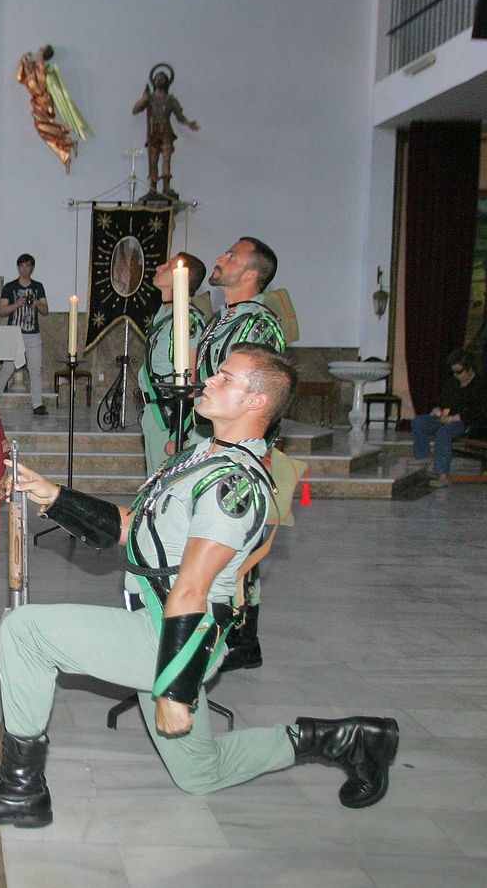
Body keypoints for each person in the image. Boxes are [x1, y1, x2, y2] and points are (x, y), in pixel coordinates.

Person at [0, 345, 397, 828]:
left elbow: (193, 588)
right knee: (202, 773)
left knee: (27, 631)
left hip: (176, 636)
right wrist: (56, 497)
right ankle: (347, 740)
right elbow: (134, 528)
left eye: (226, 378)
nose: (209, 381)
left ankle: (20, 789)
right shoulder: (204, 455)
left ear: (256, 402)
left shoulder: (232, 487)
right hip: (158, 622)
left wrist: (175, 689)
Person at [193, 237, 288, 670]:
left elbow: (261, 395)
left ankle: (240, 637)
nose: (219, 257)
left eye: (230, 255)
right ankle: (204, 621)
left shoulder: (259, 325)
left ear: (251, 273)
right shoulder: (223, 319)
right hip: (209, 440)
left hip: (240, 446)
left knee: (236, 539)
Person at [139, 253, 208, 472]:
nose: (159, 267)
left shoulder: (187, 319)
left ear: (183, 278)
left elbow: (190, 384)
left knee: (165, 489)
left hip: (171, 418)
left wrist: (178, 433)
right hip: (156, 413)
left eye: (168, 266)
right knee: (153, 488)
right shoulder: (165, 314)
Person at [412, 349, 487, 487]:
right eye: (453, 372)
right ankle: (423, 456)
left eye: (459, 372)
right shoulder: (453, 383)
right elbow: (442, 401)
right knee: (419, 421)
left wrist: (457, 417)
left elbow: (480, 412)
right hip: (447, 418)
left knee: (444, 432)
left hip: (468, 423)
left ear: (470, 369)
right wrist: (437, 409)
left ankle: (443, 475)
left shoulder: (481, 385)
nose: (455, 375)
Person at [0, 253, 50, 416]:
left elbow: (45, 310)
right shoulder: (10, 287)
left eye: (28, 266)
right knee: (7, 368)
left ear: (32, 268)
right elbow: (2, 311)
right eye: (22, 266)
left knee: (35, 369)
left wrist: (36, 303)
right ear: (18, 268)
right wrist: (18, 304)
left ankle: (37, 404)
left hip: (33, 333)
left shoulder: (38, 286)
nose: (25, 269)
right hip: (15, 334)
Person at [131, 65, 199, 199]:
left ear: (167, 82)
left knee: (166, 158)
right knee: (153, 160)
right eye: (158, 78)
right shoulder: (149, 98)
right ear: (154, 81)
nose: (160, 81)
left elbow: (179, 115)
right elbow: (135, 110)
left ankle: (166, 186)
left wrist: (188, 123)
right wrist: (143, 100)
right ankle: (153, 186)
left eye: (163, 79)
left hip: (166, 131)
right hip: (154, 133)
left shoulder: (170, 99)